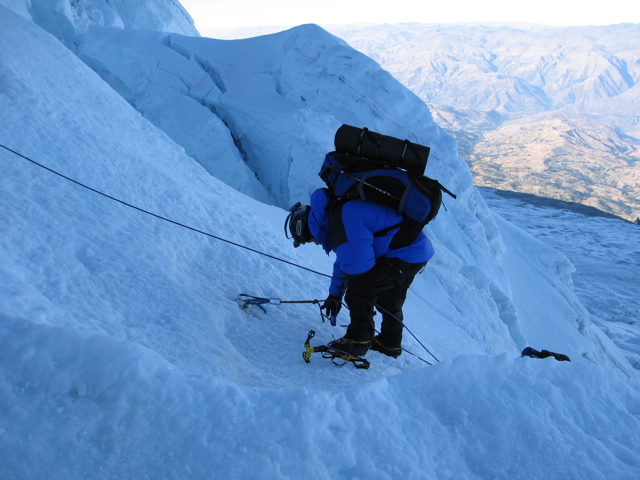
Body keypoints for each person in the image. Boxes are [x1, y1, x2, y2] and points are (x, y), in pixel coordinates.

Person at [285, 187, 434, 358]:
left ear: (311, 230)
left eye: (311, 240)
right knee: (389, 298)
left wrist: (344, 293)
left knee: (360, 289)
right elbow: (345, 260)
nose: (316, 243)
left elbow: (359, 269)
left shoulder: (342, 220)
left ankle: (358, 341)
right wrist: (334, 295)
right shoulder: (337, 215)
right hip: (414, 250)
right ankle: (389, 343)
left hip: (405, 254)